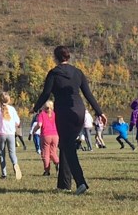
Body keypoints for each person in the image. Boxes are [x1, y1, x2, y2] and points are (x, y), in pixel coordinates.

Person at [32, 45, 105, 195]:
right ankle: (64, 184)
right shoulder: (78, 72)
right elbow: (88, 94)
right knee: (66, 146)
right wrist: (99, 112)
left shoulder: (53, 74)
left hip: (64, 112)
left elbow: (46, 94)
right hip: (79, 111)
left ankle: (81, 182)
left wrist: (36, 107)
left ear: (56, 58)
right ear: (68, 56)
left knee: (68, 147)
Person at [0, 92, 22, 180]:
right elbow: (18, 122)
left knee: (2, 154)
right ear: (9, 100)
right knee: (12, 153)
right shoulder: (12, 109)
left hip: (1, 135)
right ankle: (15, 164)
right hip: (11, 134)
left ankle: (4, 174)